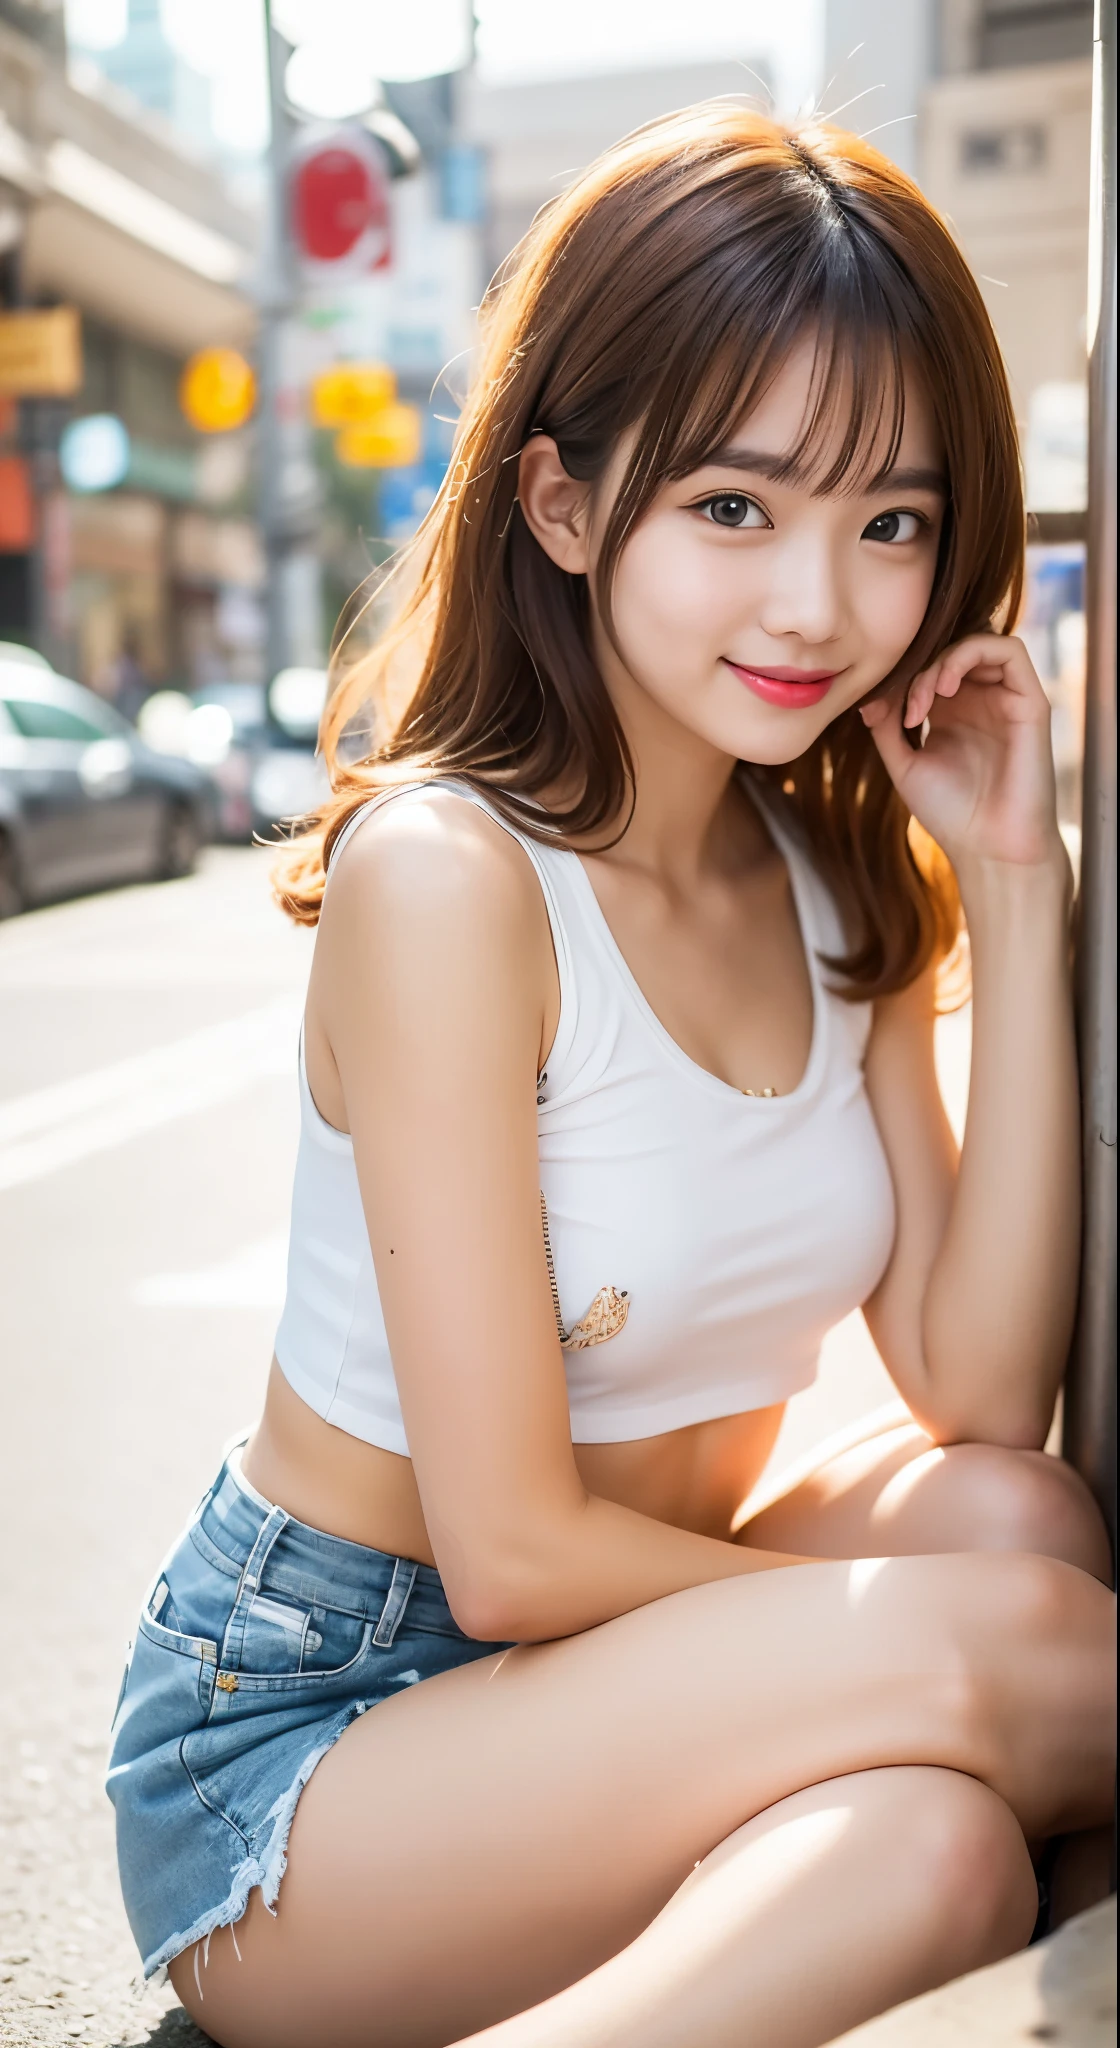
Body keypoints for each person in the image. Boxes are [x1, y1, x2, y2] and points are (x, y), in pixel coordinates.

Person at [106, 108, 1115, 2048]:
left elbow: (977, 1394)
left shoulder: (834, 871)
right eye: (733, 509)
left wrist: (1010, 870)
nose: (816, 603)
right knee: (1020, 1650)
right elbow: (506, 1549)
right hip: (310, 1739)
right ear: (563, 508)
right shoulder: (449, 880)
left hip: (609, 1649)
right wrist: (907, 1657)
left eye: (885, 520)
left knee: (987, 1661)